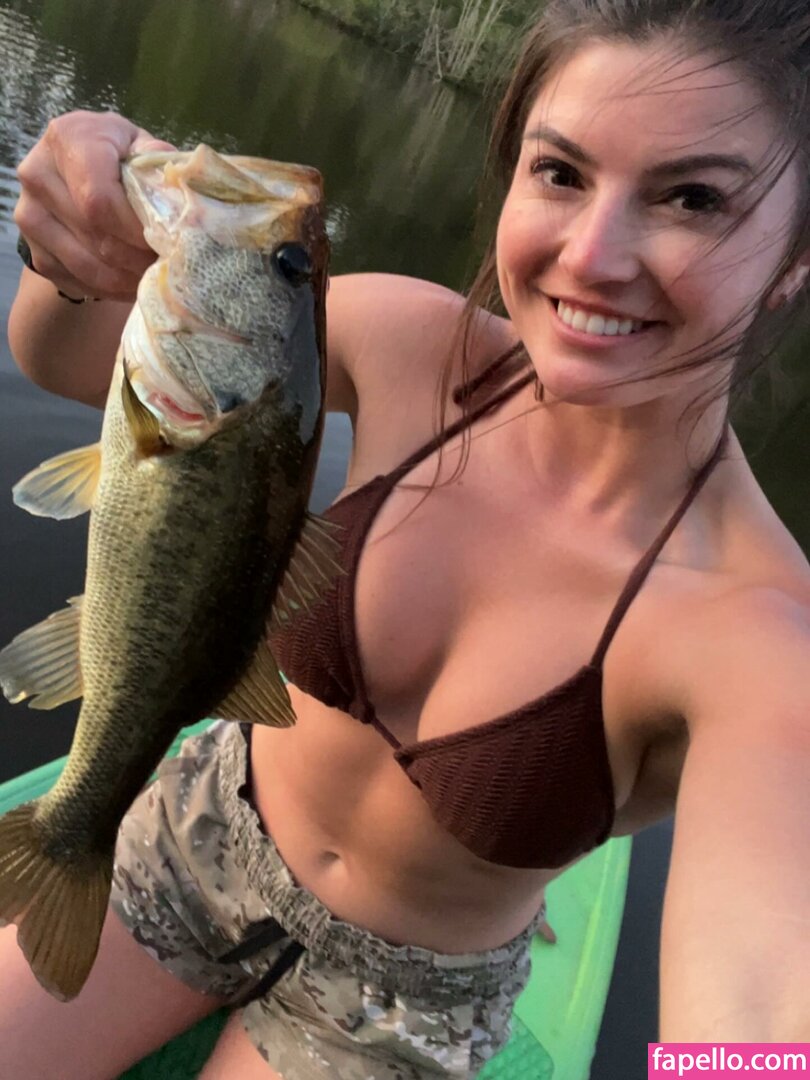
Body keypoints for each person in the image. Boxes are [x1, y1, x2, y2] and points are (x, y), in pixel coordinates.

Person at [1, 0, 809, 1075]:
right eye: (561, 172)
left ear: (796, 255)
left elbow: (757, 1008)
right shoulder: (413, 346)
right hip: (205, 826)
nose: (592, 254)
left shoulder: (761, 637)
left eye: (693, 198)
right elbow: (65, 360)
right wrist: (68, 247)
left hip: (401, 1001)